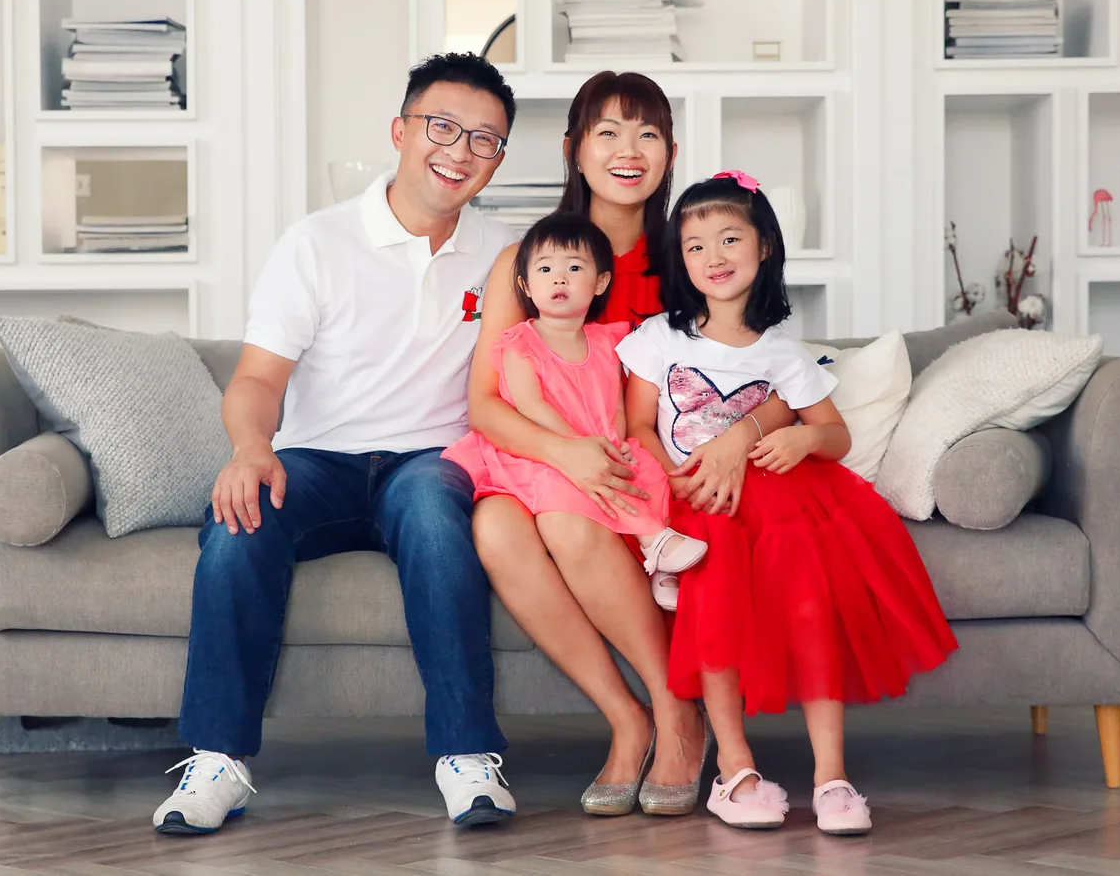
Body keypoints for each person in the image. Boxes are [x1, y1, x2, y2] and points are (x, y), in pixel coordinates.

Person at [152, 53, 521, 835]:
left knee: (433, 514)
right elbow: (256, 378)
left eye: (484, 140)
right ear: (400, 130)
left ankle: (467, 759)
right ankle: (217, 759)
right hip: (317, 459)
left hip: (431, 459)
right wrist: (253, 447)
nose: (459, 151)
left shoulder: (505, 254)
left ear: (497, 160)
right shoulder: (315, 243)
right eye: (442, 127)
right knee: (238, 522)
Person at [465, 72, 795, 817]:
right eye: (607, 132)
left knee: (568, 522)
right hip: (546, 451)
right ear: (573, 150)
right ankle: (629, 715)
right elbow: (485, 401)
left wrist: (740, 439)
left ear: (671, 152)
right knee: (493, 523)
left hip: (648, 460)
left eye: (647, 133)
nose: (628, 150)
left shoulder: (692, 256)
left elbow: (770, 370)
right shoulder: (529, 260)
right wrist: (567, 453)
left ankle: (679, 711)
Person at [618, 171, 959, 834]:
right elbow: (634, 427)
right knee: (712, 598)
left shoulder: (782, 351)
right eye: (695, 246)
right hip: (696, 500)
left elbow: (836, 434)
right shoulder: (659, 339)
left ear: (765, 246)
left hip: (781, 500)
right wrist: (675, 475)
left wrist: (801, 435)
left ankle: (831, 775)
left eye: (729, 238)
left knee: (810, 599)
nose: (714, 257)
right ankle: (734, 766)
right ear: (677, 259)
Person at [442, 214, 709, 617]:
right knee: (577, 483)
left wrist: (617, 444)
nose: (559, 279)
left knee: (645, 471)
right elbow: (532, 407)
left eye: (574, 268)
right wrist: (576, 444)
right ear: (526, 286)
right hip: (544, 449)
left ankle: (658, 563)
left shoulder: (608, 340)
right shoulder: (520, 342)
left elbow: (616, 404)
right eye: (546, 270)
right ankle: (654, 540)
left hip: (600, 441)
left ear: (600, 282)